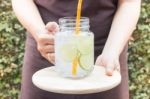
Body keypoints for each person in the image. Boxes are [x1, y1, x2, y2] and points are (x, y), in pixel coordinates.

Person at [12, 0, 141, 99]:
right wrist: (40, 33)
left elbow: (130, 2)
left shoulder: (109, 53)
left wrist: (112, 50)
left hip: (107, 56)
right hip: (48, 50)